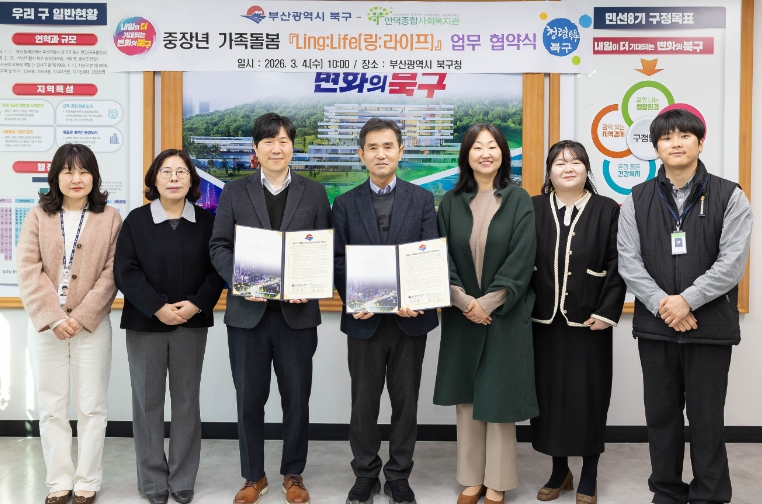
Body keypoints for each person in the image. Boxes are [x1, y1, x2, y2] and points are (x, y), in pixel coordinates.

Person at [618, 108, 752, 504]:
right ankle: (667, 491)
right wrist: (665, 305)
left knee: (707, 418)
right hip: (657, 327)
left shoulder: (730, 195)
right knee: (661, 416)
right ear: (655, 147)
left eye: (684, 136)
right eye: (666, 137)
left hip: (709, 326)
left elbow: (732, 263)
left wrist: (687, 301)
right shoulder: (636, 198)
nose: (675, 143)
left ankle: (709, 493)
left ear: (700, 142)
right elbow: (628, 261)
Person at [209, 113, 331, 504]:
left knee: (296, 399)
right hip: (248, 316)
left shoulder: (314, 192)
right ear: (256, 149)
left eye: (283, 141)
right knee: (249, 400)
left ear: (293, 147)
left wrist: (310, 285)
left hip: (298, 316)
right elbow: (219, 246)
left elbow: (324, 248)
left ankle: (293, 474)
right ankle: (253, 476)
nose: (276, 148)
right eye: (268, 141)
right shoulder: (234, 192)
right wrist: (242, 282)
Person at [332, 118, 438, 504]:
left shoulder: (422, 199)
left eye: (388, 146)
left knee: (405, 403)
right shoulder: (344, 203)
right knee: (364, 403)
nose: (381, 154)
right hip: (365, 321)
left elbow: (428, 253)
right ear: (361, 154)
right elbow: (338, 260)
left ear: (400, 151)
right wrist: (355, 299)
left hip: (411, 320)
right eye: (373, 147)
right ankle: (365, 473)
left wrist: (417, 297)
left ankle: (398, 475)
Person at [114, 149, 225, 504]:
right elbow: (125, 271)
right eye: (166, 171)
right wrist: (157, 307)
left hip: (191, 324)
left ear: (192, 180)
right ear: (154, 179)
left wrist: (196, 303)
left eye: (181, 172)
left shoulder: (206, 222)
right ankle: (152, 481)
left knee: (186, 402)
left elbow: (216, 271)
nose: (174, 178)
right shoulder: (136, 220)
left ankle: (182, 477)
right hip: (145, 323)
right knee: (146, 403)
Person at [434, 124, 537, 504]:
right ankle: (470, 479)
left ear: (503, 154)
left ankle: (498, 481)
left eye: (492, 146)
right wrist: (464, 302)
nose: (485, 153)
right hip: (461, 315)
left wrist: (489, 303)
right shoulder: (450, 201)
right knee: (467, 399)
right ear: (467, 155)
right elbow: (440, 255)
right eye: (477, 147)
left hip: (504, 316)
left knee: (499, 398)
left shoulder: (518, 199)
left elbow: (522, 258)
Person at [17, 143, 122, 504]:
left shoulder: (110, 217)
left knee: (92, 406)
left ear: (94, 176)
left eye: (84, 171)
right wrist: (54, 317)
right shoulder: (37, 216)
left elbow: (112, 272)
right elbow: (28, 269)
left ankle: (87, 480)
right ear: (56, 177)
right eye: (68, 171)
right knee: (52, 407)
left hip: (91, 327)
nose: (76, 178)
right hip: (46, 328)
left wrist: (79, 317)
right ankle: (59, 481)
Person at [530, 141, 627, 504]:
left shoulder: (607, 209)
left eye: (575, 162)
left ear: (587, 168)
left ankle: (589, 472)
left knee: (588, 397)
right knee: (549, 398)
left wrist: (606, 312)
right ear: (549, 171)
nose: (567, 168)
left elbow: (620, 262)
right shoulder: (533, 207)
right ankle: (559, 471)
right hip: (542, 321)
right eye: (559, 162)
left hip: (590, 322)